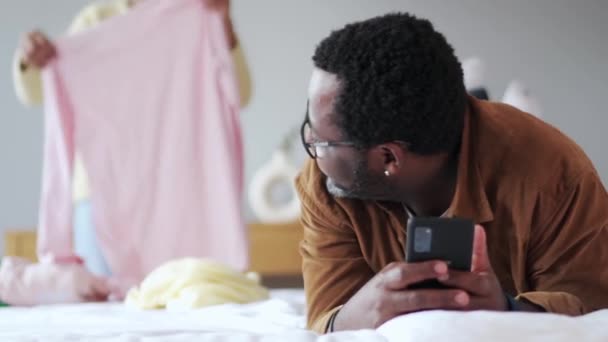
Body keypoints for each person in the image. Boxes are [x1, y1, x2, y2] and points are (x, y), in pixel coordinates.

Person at [296, 13, 608, 333]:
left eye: (320, 141)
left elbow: (594, 306)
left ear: (388, 156)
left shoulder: (555, 175)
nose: (309, 142)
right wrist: (351, 316)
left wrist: (508, 310)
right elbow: (324, 316)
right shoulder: (325, 183)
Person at [12, 0, 251, 280]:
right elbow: (37, 93)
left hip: (178, 192)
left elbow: (241, 93)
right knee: (109, 312)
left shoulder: (197, 13)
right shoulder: (95, 18)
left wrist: (223, 27)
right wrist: (30, 60)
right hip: (102, 193)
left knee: (188, 297)